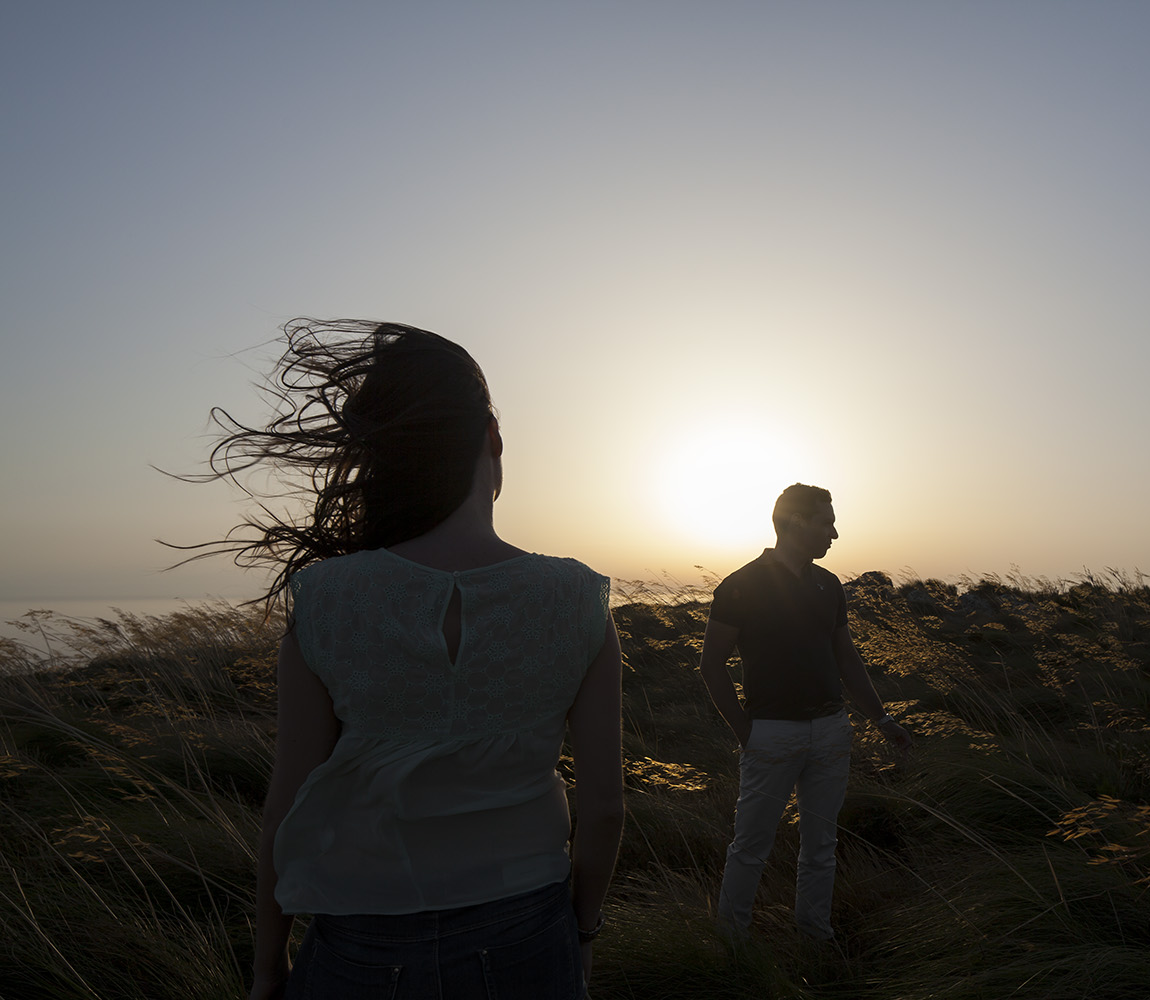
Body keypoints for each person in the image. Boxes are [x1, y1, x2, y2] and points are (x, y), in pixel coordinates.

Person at [186, 320, 623, 1000]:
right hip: (527, 936)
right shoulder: (575, 598)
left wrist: (267, 964)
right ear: (493, 440)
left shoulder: (328, 599)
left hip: (359, 945)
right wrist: (583, 935)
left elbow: (286, 806)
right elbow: (604, 808)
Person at [698, 483, 913, 941]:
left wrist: (882, 718)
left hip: (831, 731)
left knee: (821, 845)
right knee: (751, 847)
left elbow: (846, 659)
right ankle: (730, 944)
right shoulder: (740, 586)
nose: (834, 533)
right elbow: (710, 665)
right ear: (795, 522)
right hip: (771, 735)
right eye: (826, 522)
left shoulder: (827, 585)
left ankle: (816, 937)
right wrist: (745, 731)